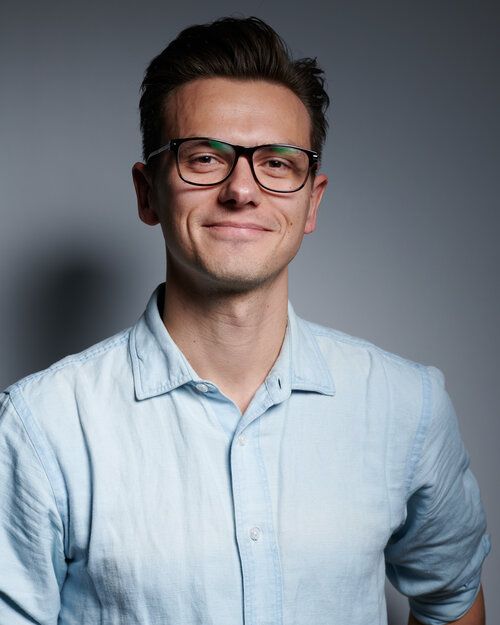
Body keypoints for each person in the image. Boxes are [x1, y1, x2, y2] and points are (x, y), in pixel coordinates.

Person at [0, 16, 490, 625]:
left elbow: (451, 598)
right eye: (204, 158)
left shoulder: (407, 406)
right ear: (146, 192)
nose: (242, 189)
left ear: (312, 200)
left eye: (278, 163)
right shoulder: (40, 426)